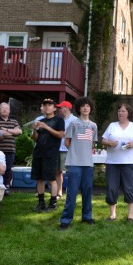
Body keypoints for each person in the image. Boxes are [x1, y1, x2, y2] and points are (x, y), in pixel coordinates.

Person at [59, 97, 98, 230]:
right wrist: (76, 152)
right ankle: (66, 220)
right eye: (83, 106)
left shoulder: (94, 126)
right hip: (74, 163)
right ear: (79, 108)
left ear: (90, 109)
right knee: (72, 192)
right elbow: (67, 142)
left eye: (88, 106)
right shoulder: (73, 124)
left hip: (88, 164)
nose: (85, 108)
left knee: (87, 191)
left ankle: (87, 216)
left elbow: (92, 144)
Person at [102, 103, 133, 222]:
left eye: (123, 111)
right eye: (119, 111)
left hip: (130, 162)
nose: (120, 113)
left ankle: (130, 215)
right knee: (111, 188)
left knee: (129, 188)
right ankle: (112, 214)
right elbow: (103, 140)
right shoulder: (112, 125)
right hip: (112, 163)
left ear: (128, 113)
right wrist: (109, 143)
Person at [31, 98, 65, 212]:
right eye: (45, 105)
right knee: (39, 179)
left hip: (51, 153)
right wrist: (35, 130)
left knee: (51, 178)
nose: (47, 107)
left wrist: (46, 127)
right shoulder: (40, 120)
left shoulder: (59, 120)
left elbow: (60, 135)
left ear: (54, 108)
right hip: (38, 152)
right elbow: (35, 139)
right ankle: (41, 203)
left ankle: (53, 203)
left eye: (49, 105)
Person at [0, 102, 22, 196]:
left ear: (9, 111)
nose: (4, 109)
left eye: (6, 108)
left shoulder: (14, 121)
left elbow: (19, 132)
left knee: (8, 169)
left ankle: (6, 187)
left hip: (10, 150)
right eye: (2, 108)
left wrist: (6, 130)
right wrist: (12, 132)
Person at [55, 101, 78, 200]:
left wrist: (62, 133)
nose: (60, 110)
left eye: (61, 107)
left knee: (70, 172)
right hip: (57, 148)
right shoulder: (60, 120)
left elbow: (77, 134)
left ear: (67, 108)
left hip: (69, 149)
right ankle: (59, 191)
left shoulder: (75, 120)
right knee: (57, 171)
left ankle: (71, 192)